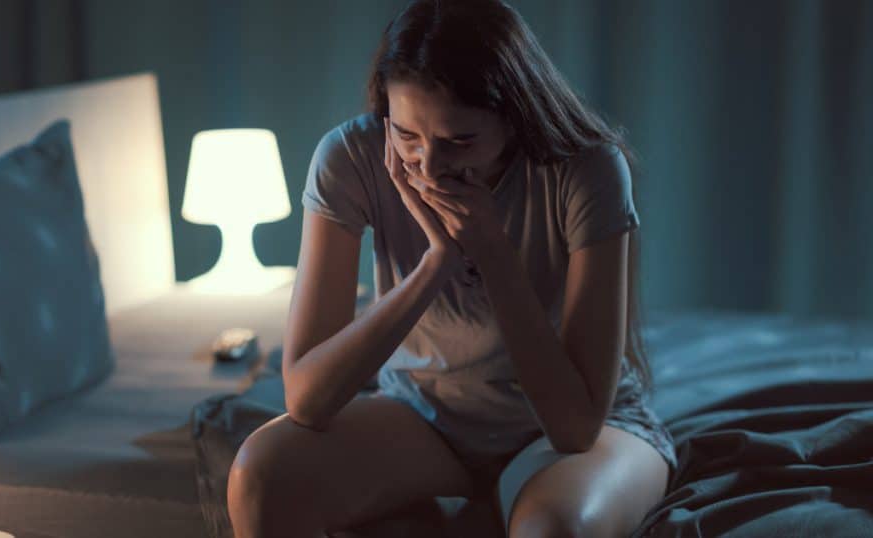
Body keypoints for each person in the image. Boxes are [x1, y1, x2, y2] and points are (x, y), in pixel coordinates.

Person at [227, 0, 677, 536]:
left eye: (460, 141)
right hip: (424, 416)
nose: (430, 167)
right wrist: (434, 265)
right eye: (407, 136)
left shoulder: (587, 170)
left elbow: (575, 427)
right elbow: (306, 398)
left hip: (576, 429)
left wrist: (491, 253)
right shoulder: (350, 157)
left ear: (515, 119)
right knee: (261, 473)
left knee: (553, 528)